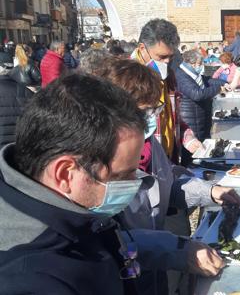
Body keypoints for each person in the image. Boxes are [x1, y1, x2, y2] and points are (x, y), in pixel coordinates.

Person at [95, 58, 240, 294]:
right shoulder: (97, 163)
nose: (152, 118)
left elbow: (167, 183)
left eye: (155, 109)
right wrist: (179, 250)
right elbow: (109, 241)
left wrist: (209, 191)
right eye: (145, 111)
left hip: (155, 275)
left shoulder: (149, 143)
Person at [0, 73, 147, 294]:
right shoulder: (30, 281)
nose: (134, 184)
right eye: (121, 176)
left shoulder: (74, 209)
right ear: (65, 174)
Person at [131, 19, 201, 162]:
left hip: (169, 161)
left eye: (171, 56)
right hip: (145, 166)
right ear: (142, 48)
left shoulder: (169, 75)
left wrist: (188, 138)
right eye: (161, 57)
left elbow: (174, 118)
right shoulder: (126, 80)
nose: (167, 62)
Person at [176, 50, 226, 165]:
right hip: (191, 120)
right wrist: (218, 89)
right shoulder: (182, 76)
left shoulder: (193, 74)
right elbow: (197, 94)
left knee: (203, 151)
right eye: (199, 64)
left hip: (200, 118)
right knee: (194, 156)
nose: (201, 67)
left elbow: (206, 80)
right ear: (192, 63)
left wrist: (223, 82)